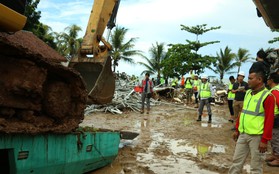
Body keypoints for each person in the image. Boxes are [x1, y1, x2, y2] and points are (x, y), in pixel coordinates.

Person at [228, 70, 275, 174]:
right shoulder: (248, 93)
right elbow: (243, 112)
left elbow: (269, 120)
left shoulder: (268, 96)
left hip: (257, 137)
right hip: (243, 134)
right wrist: (237, 129)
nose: (247, 81)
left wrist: (265, 140)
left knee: (255, 166)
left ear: (259, 80)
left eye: (250, 78)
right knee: (236, 162)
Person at [266, 72, 279, 167]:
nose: (267, 80)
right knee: (273, 137)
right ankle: (274, 155)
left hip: (275, 118)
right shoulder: (273, 90)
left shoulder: (275, 92)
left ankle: (278, 158)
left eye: (268, 79)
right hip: (273, 117)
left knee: (275, 138)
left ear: (272, 80)